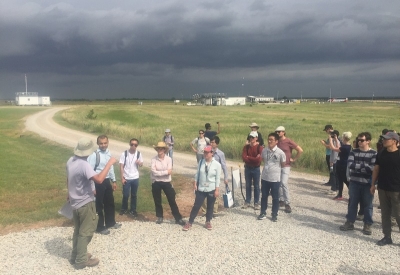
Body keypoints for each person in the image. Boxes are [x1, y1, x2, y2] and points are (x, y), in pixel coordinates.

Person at [67, 137, 117, 269]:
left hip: (74, 202)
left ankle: (76, 255)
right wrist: (109, 164)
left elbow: (69, 178)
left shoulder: (71, 161)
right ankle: (82, 260)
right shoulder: (84, 165)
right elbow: (99, 179)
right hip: (85, 203)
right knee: (86, 231)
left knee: (77, 230)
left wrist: (69, 192)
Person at [340, 132, 377, 235]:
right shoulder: (353, 152)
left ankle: (367, 224)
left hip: (367, 183)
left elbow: (373, 168)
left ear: (368, 141)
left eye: (362, 140)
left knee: (368, 205)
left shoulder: (374, 153)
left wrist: (359, 167)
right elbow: (350, 165)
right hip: (354, 182)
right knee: (352, 203)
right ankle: (350, 222)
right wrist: (365, 167)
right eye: (358, 140)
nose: (359, 142)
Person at [87, 135, 121, 235]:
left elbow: (110, 168)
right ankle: (100, 226)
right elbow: (90, 172)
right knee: (98, 205)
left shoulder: (108, 153)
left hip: (106, 181)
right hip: (97, 181)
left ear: (108, 142)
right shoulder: (94, 155)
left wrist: (114, 181)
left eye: (105, 143)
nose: (103, 145)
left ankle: (111, 222)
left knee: (110, 202)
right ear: (98, 144)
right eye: (101, 143)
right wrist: (92, 186)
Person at [370, 132, 400, 246]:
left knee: (398, 215)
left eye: (387, 139)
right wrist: (373, 184)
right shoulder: (381, 153)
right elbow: (376, 169)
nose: (384, 140)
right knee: (385, 214)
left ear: (394, 141)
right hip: (382, 188)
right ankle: (387, 237)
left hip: (396, 190)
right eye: (384, 139)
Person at [183, 145, 221, 231]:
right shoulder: (201, 162)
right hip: (201, 188)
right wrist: (195, 183)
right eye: (205, 152)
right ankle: (190, 222)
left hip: (211, 188)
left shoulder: (217, 165)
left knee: (210, 206)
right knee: (196, 205)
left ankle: (208, 221)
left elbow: (218, 178)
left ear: (212, 153)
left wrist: (217, 190)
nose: (206, 154)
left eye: (208, 152)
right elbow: (197, 174)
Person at [151, 141, 185, 225]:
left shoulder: (169, 159)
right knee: (157, 200)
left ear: (164, 150)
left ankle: (178, 218)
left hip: (166, 182)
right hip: (156, 182)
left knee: (171, 200)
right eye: (158, 148)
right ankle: (160, 216)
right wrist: (165, 172)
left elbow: (170, 171)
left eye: (161, 148)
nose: (160, 150)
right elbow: (154, 172)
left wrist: (159, 172)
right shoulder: (153, 159)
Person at [258, 133, 286, 222]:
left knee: (275, 197)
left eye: (271, 140)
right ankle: (263, 212)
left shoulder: (280, 153)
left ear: (276, 141)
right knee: (264, 196)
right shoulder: (264, 150)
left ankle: (274, 214)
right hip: (265, 177)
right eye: (268, 139)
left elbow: (283, 164)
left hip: (275, 179)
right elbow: (263, 160)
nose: (269, 141)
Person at [275, 126, 303, 213]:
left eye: (280, 132)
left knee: (284, 182)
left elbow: (300, 150)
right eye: (277, 132)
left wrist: (294, 159)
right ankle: (281, 200)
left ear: (284, 132)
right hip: (277, 165)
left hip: (286, 165)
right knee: (278, 183)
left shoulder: (288, 141)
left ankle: (287, 203)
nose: (278, 133)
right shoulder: (276, 142)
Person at [201, 135, 228, 216]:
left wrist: (226, 177)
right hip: (206, 175)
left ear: (217, 144)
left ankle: (214, 211)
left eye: (213, 142)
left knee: (214, 193)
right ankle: (204, 211)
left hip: (215, 177)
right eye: (211, 142)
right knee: (203, 192)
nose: (211, 144)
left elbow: (224, 166)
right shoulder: (206, 151)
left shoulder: (220, 154)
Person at [119, 138, 143, 217]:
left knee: (134, 195)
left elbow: (141, 164)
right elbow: (121, 166)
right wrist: (122, 177)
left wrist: (139, 163)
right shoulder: (124, 153)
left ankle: (133, 210)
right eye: (132, 144)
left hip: (135, 177)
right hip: (126, 177)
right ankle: (124, 208)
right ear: (129, 144)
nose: (133, 146)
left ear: (137, 146)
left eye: (135, 145)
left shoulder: (139, 154)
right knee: (125, 194)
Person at [242, 131, 263, 209]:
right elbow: (244, 158)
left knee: (256, 186)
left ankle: (256, 202)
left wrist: (248, 157)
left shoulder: (259, 148)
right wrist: (253, 158)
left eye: (253, 137)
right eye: (250, 137)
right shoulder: (246, 147)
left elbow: (259, 160)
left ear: (256, 138)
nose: (251, 139)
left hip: (256, 168)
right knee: (248, 185)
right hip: (248, 168)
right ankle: (247, 201)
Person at [329, 132, 352, 200]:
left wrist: (330, 140)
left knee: (344, 180)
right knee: (341, 180)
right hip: (342, 164)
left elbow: (334, 148)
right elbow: (339, 147)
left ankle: (350, 194)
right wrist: (336, 139)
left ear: (344, 138)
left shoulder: (345, 147)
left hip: (342, 165)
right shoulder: (348, 145)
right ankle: (340, 194)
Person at [327, 130, 340, 195]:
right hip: (336, 160)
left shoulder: (335, 142)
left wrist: (331, 161)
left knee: (333, 174)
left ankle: (334, 188)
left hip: (334, 161)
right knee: (336, 174)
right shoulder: (338, 141)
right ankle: (337, 187)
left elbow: (334, 151)